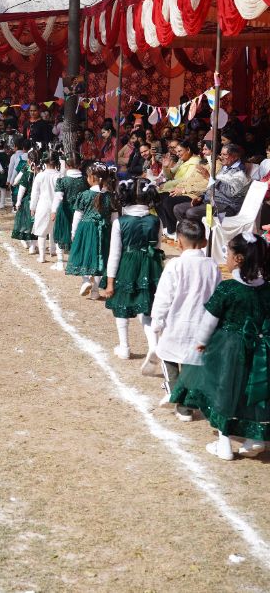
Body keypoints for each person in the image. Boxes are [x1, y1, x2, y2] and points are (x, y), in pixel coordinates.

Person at [169, 233, 270, 460]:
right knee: (253, 392)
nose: (225, 257)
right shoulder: (267, 289)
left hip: (229, 348)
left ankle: (224, 442)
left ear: (239, 259)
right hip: (261, 347)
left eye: (228, 253)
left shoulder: (228, 289)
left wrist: (201, 343)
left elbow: (209, 320)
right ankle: (256, 437)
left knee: (224, 391)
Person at [151, 220, 221, 420]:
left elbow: (164, 296)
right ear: (204, 242)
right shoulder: (212, 266)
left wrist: (157, 321)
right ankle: (188, 402)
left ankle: (180, 403)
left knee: (168, 358)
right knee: (192, 364)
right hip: (202, 324)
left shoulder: (175, 265)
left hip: (177, 323)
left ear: (179, 242)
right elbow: (217, 295)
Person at [97, 178, 164, 362]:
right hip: (151, 265)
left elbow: (114, 254)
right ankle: (154, 345)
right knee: (147, 307)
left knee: (122, 305)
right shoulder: (156, 221)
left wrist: (110, 282)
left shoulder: (121, 222)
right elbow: (157, 246)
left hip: (127, 264)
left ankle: (125, 347)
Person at [65, 163, 119, 299]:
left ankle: (86, 280)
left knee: (86, 255)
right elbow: (115, 218)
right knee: (100, 258)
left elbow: (77, 215)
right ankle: (95, 291)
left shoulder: (85, 195)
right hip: (105, 230)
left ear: (92, 177)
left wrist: (73, 233)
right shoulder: (110, 196)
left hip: (86, 229)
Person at [174, 144, 251, 224]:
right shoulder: (225, 168)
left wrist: (210, 178)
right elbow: (212, 187)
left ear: (235, 157)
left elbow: (230, 192)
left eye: (225, 155)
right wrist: (201, 197)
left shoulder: (240, 173)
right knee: (178, 209)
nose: (221, 157)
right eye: (221, 154)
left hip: (226, 207)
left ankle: (198, 235)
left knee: (192, 213)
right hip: (210, 201)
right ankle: (189, 233)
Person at [52, 154, 88, 272]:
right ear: (80, 164)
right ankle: (77, 260)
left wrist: (53, 211)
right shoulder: (85, 179)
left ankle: (60, 261)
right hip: (82, 211)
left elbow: (58, 197)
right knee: (78, 234)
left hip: (65, 210)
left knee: (61, 234)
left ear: (66, 165)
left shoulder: (62, 180)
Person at [30, 152, 61, 263]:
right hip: (57, 206)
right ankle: (54, 250)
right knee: (54, 229)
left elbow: (35, 193)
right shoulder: (59, 175)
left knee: (41, 231)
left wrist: (32, 207)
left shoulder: (40, 175)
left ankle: (42, 256)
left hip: (43, 205)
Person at [12, 151, 38, 251]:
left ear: (28, 160)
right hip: (39, 201)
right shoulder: (40, 171)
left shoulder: (27, 172)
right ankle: (33, 246)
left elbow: (21, 187)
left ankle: (25, 240)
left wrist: (18, 202)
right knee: (35, 224)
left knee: (25, 222)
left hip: (28, 201)